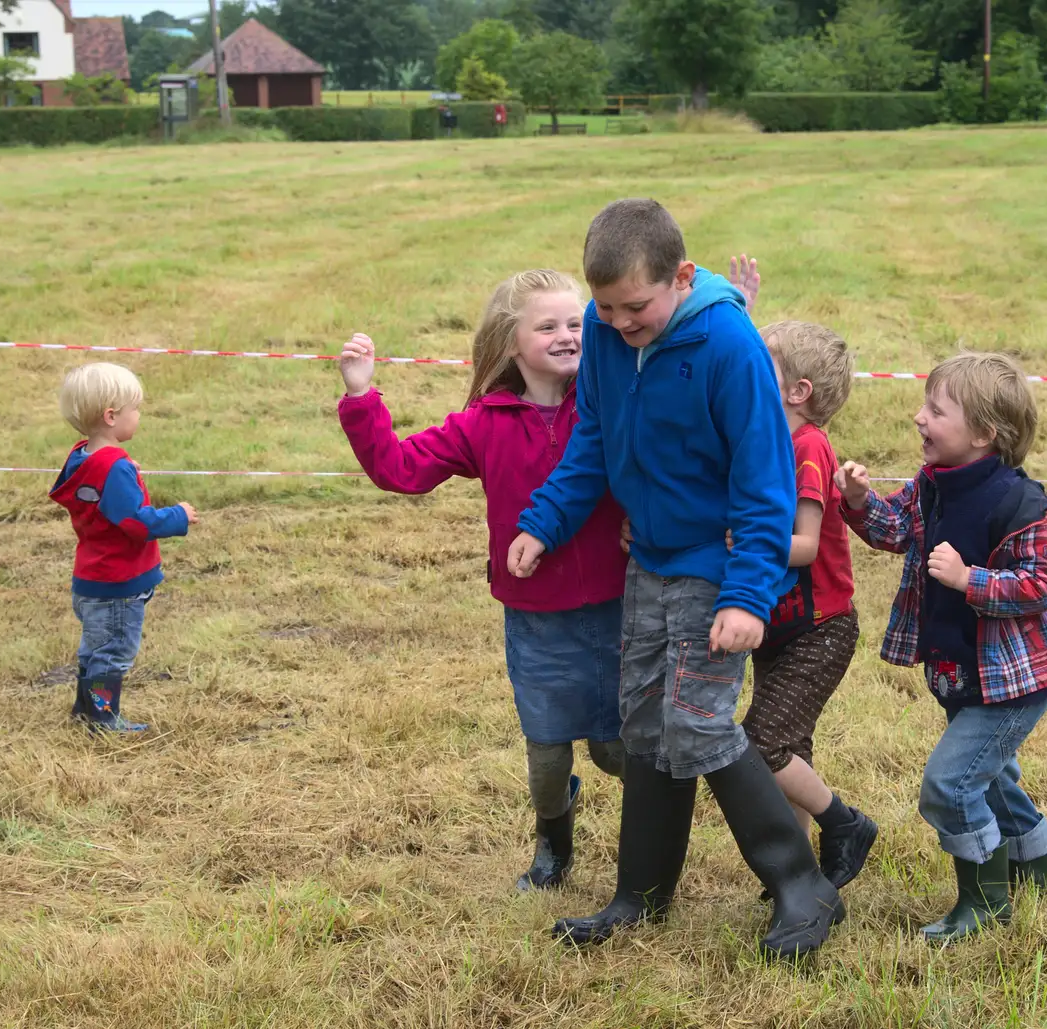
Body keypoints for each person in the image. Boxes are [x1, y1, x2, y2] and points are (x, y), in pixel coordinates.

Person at [507, 198, 843, 961]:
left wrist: (747, 595)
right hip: (649, 561)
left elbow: (763, 485)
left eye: (637, 307)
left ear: (682, 276)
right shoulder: (605, 329)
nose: (622, 324)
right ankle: (640, 896)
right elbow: (593, 434)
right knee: (647, 728)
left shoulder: (730, 345)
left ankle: (802, 884)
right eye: (607, 309)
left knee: (698, 722)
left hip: (716, 565)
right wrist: (544, 519)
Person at [337, 270, 629, 892]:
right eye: (547, 326)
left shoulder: (610, 402)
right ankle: (553, 840)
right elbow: (400, 470)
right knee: (548, 756)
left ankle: (655, 834)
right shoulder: (481, 425)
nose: (566, 335)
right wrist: (362, 397)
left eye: (576, 323)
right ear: (509, 342)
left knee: (615, 748)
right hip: (535, 615)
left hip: (617, 604)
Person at [837, 351, 1047, 945]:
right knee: (992, 777)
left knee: (950, 785)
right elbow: (895, 529)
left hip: (1018, 680)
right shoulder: (933, 483)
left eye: (935, 410)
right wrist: (856, 500)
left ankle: (984, 901)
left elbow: (1042, 584)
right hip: (961, 671)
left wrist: (968, 579)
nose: (919, 417)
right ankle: (1034, 870)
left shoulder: (1021, 507)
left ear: (983, 434)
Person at [741, 320, 877, 892]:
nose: (747, 373)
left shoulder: (808, 447)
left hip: (818, 628)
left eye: (761, 366)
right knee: (788, 747)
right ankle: (794, 872)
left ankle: (844, 824)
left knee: (760, 742)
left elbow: (804, 546)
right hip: (780, 624)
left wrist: (740, 537)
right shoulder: (772, 436)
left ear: (797, 392)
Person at [49, 363, 195, 734]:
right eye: (136, 408)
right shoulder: (113, 467)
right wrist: (178, 516)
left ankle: (86, 710)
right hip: (118, 583)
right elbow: (136, 522)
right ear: (111, 416)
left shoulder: (83, 456)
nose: (139, 415)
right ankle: (102, 719)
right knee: (113, 652)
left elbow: (95, 488)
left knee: (94, 648)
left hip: (91, 578)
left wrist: (121, 469)